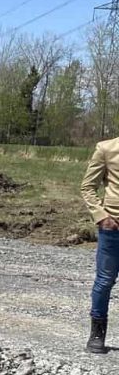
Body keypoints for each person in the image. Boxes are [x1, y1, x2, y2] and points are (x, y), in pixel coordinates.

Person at [80, 135, 119, 353]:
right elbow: (87, 187)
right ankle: (97, 333)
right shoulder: (106, 149)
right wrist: (102, 216)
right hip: (113, 228)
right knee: (105, 281)